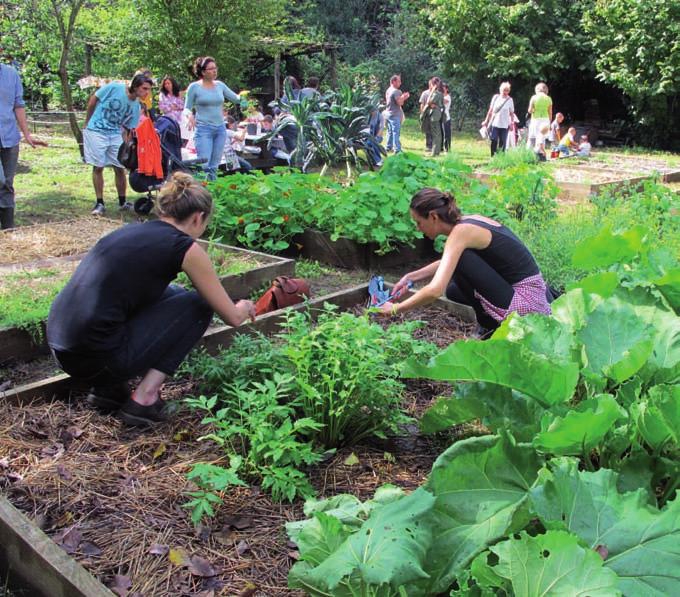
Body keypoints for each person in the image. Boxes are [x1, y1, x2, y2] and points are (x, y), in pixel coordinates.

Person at [46, 172, 257, 426]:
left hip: (62, 350)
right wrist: (244, 306)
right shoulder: (185, 247)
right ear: (198, 217)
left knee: (172, 295)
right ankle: (144, 400)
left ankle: (108, 391)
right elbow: (232, 317)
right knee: (199, 305)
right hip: (96, 359)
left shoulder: (131, 232)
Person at [379, 188, 552, 336]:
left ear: (433, 217)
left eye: (418, 222)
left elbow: (434, 291)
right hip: (529, 291)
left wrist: (395, 309)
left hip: (529, 305)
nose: (418, 228)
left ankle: (489, 327)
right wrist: (411, 277)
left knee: (457, 265)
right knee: (453, 290)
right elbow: (449, 261)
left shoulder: (461, 233)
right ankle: (489, 322)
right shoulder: (466, 223)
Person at [83, 73, 153, 215]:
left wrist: (127, 146)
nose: (147, 92)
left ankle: (122, 201)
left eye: (149, 89)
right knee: (98, 167)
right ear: (136, 86)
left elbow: (129, 128)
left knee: (120, 167)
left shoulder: (136, 106)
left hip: (114, 133)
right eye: (145, 88)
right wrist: (87, 122)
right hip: (96, 130)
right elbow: (94, 99)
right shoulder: (115, 87)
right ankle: (99, 203)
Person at [0, 62, 47, 229]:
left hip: (9, 137)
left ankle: (8, 230)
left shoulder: (11, 74)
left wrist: (27, 134)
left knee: (7, 183)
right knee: (0, 180)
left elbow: (18, 105)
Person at [185, 56, 247, 181]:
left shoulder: (220, 85)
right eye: (211, 69)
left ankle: (212, 195)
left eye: (215, 68)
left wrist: (245, 98)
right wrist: (189, 115)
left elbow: (236, 98)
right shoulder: (194, 87)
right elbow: (187, 108)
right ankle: (199, 195)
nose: (215, 71)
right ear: (203, 72)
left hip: (220, 130)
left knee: (214, 167)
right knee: (203, 165)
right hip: (203, 130)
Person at [481, 82, 515, 156]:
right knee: (494, 139)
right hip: (495, 123)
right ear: (500, 90)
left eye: (507, 90)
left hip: (505, 124)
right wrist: (486, 121)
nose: (505, 92)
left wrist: (512, 123)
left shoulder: (510, 100)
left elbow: (512, 113)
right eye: (504, 90)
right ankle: (493, 156)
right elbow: (490, 110)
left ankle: (501, 157)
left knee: (503, 141)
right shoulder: (496, 97)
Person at [384, 75, 410, 154]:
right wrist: (404, 97)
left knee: (390, 131)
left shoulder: (388, 90)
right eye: (399, 81)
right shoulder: (396, 91)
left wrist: (401, 97)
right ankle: (397, 149)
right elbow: (399, 103)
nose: (400, 83)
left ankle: (388, 147)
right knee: (396, 132)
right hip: (395, 114)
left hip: (388, 113)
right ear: (393, 81)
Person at [526, 83, 553, 150]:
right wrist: (550, 122)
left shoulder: (534, 97)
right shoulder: (549, 98)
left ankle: (528, 152)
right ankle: (539, 152)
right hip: (545, 119)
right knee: (542, 137)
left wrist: (534, 110)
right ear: (546, 90)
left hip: (535, 119)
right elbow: (550, 112)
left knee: (532, 137)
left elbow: (529, 110)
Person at [422, 77, 444, 156]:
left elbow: (428, 101)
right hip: (437, 115)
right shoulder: (440, 93)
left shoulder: (436, 93)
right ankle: (436, 151)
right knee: (437, 134)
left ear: (433, 85)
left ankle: (435, 152)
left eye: (431, 84)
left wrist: (431, 92)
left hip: (434, 116)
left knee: (435, 134)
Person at [418, 84, 432, 152]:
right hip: (426, 114)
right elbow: (422, 103)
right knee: (427, 130)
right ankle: (428, 146)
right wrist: (422, 113)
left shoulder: (437, 93)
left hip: (434, 114)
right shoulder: (425, 93)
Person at [442, 84, 452, 152]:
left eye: (444, 88)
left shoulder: (448, 97)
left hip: (446, 117)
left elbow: (443, 101)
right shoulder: (441, 96)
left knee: (447, 134)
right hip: (441, 117)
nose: (443, 90)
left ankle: (447, 148)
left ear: (447, 89)